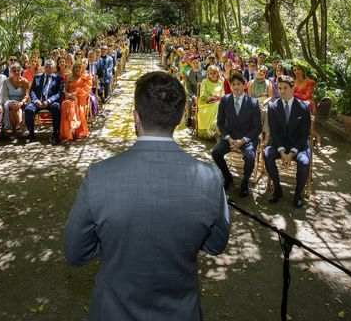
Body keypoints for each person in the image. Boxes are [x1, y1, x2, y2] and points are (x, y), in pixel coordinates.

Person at [65, 71, 230, 320]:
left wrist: (112, 243)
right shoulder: (209, 178)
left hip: (113, 310)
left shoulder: (100, 176)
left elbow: (76, 252)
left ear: (136, 118)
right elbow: (216, 244)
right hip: (181, 311)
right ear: (180, 117)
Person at [263, 75, 312, 208]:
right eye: (279, 88)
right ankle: (277, 189)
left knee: (304, 162)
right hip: (279, 143)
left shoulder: (304, 107)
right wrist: (281, 151)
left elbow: (304, 134)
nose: (282, 91)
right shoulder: (273, 106)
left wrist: (292, 153)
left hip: (298, 145)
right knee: (267, 154)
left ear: (292, 88)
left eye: (285, 88)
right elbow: (274, 132)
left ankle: (298, 194)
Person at [211, 72, 262, 197]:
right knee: (215, 153)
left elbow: (257, 128)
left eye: (239, 84)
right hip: (230, 137)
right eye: (233, 84)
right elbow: (221, 123)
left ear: (244, 85)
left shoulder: (253, 102)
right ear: (230, 85)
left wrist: (243, 141)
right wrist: (228, 138)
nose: (236, 87)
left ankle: (245, 183)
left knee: (250, 157)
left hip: (247, 139)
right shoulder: (225, 100)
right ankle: (228, 178)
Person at [24, 59, 63, 145]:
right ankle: (31, 133)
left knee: (56, 107)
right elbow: (32, 91)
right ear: (44, 68)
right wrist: (36, 100)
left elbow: (59, 93)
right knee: (28, 109)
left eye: (50, 67)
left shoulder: (58, 78)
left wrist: (49, 101)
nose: (48, 69)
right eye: (46, 67)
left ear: (54, 69)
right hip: (38, 102)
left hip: (50, 102)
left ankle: (55, 133)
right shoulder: (37, 77)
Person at [60, 60, 93, 142]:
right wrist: (68, 95)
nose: (77, 69)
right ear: (73, 69)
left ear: (82, 69)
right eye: (76, 67)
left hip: (80, 98)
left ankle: (72, 127)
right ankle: (71, 128)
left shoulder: (86, 77)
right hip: (70, 98)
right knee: (65, 103)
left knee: (71, 106)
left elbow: (85, 90)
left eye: (79, 67)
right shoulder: (69, 78)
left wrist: (74, 95)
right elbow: (66, 91)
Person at [292, 63, 322, 146]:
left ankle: (317, 137)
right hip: (295, 103)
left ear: (302, 70)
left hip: (307, 103)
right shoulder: (293, 82)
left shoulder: (309, 82)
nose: (296, 71)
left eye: (298, 69)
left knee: (308, 124)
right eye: (294, 70)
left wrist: (294, 94)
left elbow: (307, 96)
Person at [3, 63, 30, 140]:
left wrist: (21, 102)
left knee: (15, 109)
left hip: (22, 102)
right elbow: (4, 96)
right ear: (11, 72)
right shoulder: (6, 81)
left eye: (18, 70)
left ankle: (14, 132)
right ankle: (22, 128)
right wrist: (10, 102)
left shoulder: (24, 81)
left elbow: (26, 95)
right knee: (13, 108)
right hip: (9, 102)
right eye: (14, 71)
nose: (17, 72)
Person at [248, 65, 274, 144]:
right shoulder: (250, 83)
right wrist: (255, 103)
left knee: (267, 112)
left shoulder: (268, 82)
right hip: (254, 102)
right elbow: (249, 97)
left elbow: (271, 97)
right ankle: (259, 136)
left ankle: (266, 138)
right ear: (257, 70)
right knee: (257, 111)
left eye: (264, 72)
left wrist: (264, 102)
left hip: (265, 102)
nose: (262, 73)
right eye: (261, 71)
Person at [196, 65, 224, 139]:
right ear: (208, 74)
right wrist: (211, 98)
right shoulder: (205, 81)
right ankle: (214, 128)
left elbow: (223, 95)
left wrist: (218, 98)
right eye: (210, 73)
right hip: (205, 103)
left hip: (218, 102)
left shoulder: (221, 82)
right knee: (217, 106)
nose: (212, 75)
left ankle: (219, 129)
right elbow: (203, 95)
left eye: (214, 73)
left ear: (218, 73)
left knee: (220, 106)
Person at [184, 55, 204, 128]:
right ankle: (188, 118)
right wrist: (193, 96)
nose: (195, 65)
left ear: (199, 63)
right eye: (194, 63)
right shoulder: (188, 73)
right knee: (189, 101)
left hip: (202, 92)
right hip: (191, 93)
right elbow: (188, 88)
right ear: (191, 64)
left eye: (197, 63)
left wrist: (200, 95)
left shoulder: (204, 73)